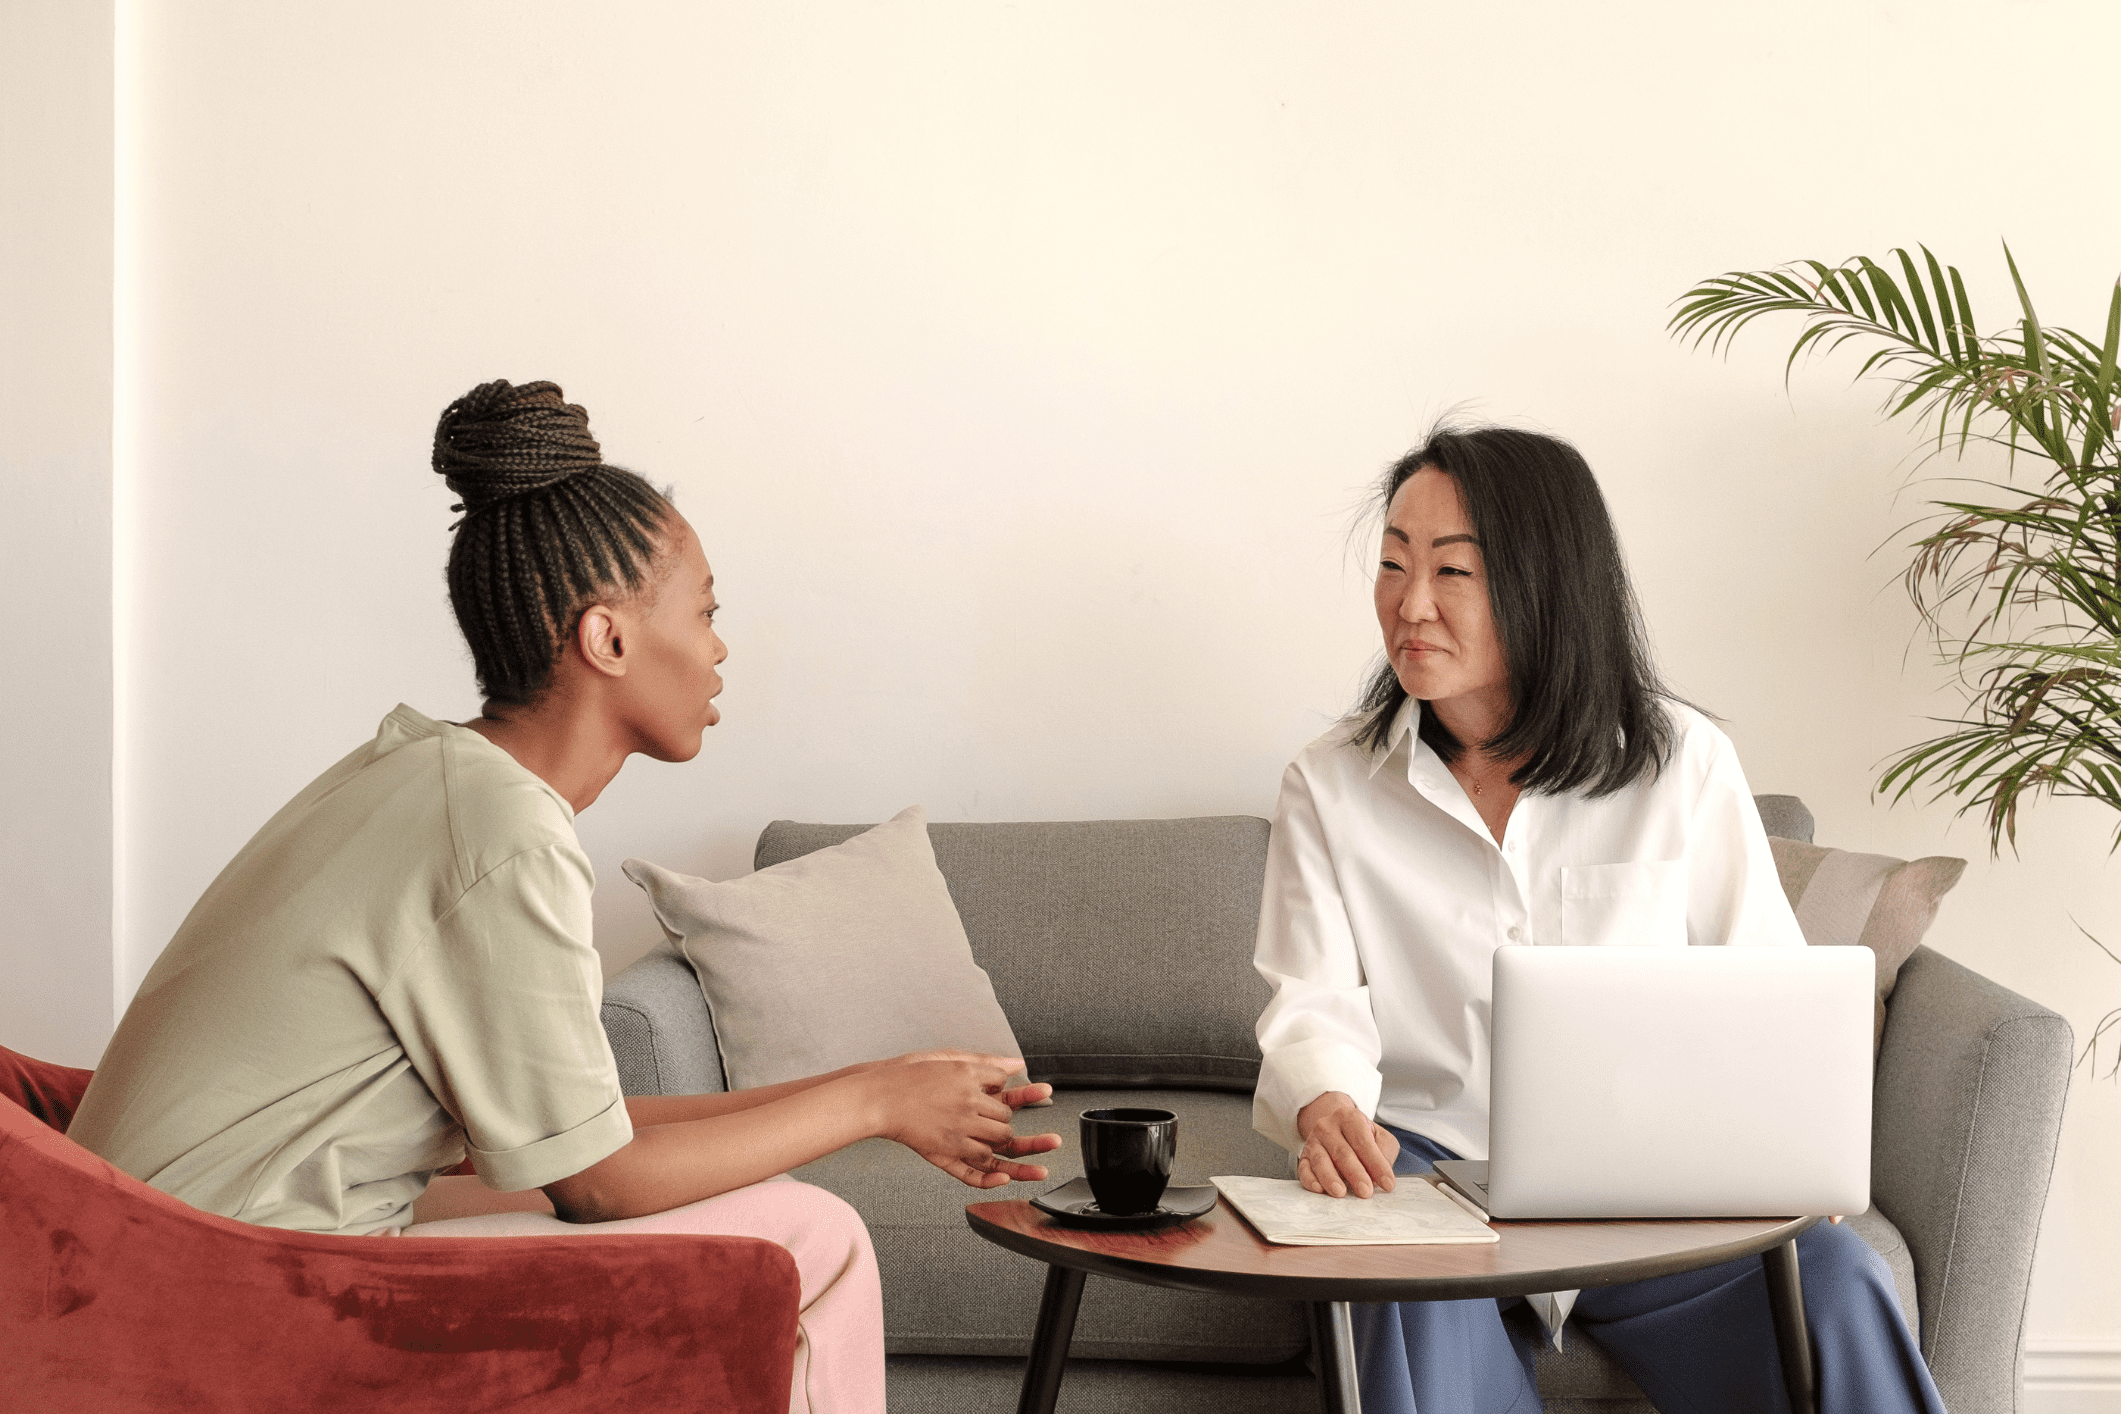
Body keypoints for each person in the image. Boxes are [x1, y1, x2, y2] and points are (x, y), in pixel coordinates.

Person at [69, 379, 1061, 1414]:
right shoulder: (501, 829)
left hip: (179, 1249)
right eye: (708, 610)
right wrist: (868, 1101)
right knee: (812, 1236)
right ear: (608, 639)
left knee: (730, 1204)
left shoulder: (428, 777)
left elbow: (581, 1141)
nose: (720, 648)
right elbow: (601, 1188)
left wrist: (882, 1088)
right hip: (214, 1290)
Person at [1251, 426, 1945, 1414]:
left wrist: (1793, 1142)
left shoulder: (1681, 764)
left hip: (1652, 1204)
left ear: (1545, 582)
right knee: (1389, 1275)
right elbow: (1310, 997)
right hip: (1432, 1188)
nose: (1409, 604)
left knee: (1836, 1281)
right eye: (1394, 564)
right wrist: (1325, 1102)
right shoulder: (1330, 783)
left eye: (1451, 570)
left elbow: (1768, 988)